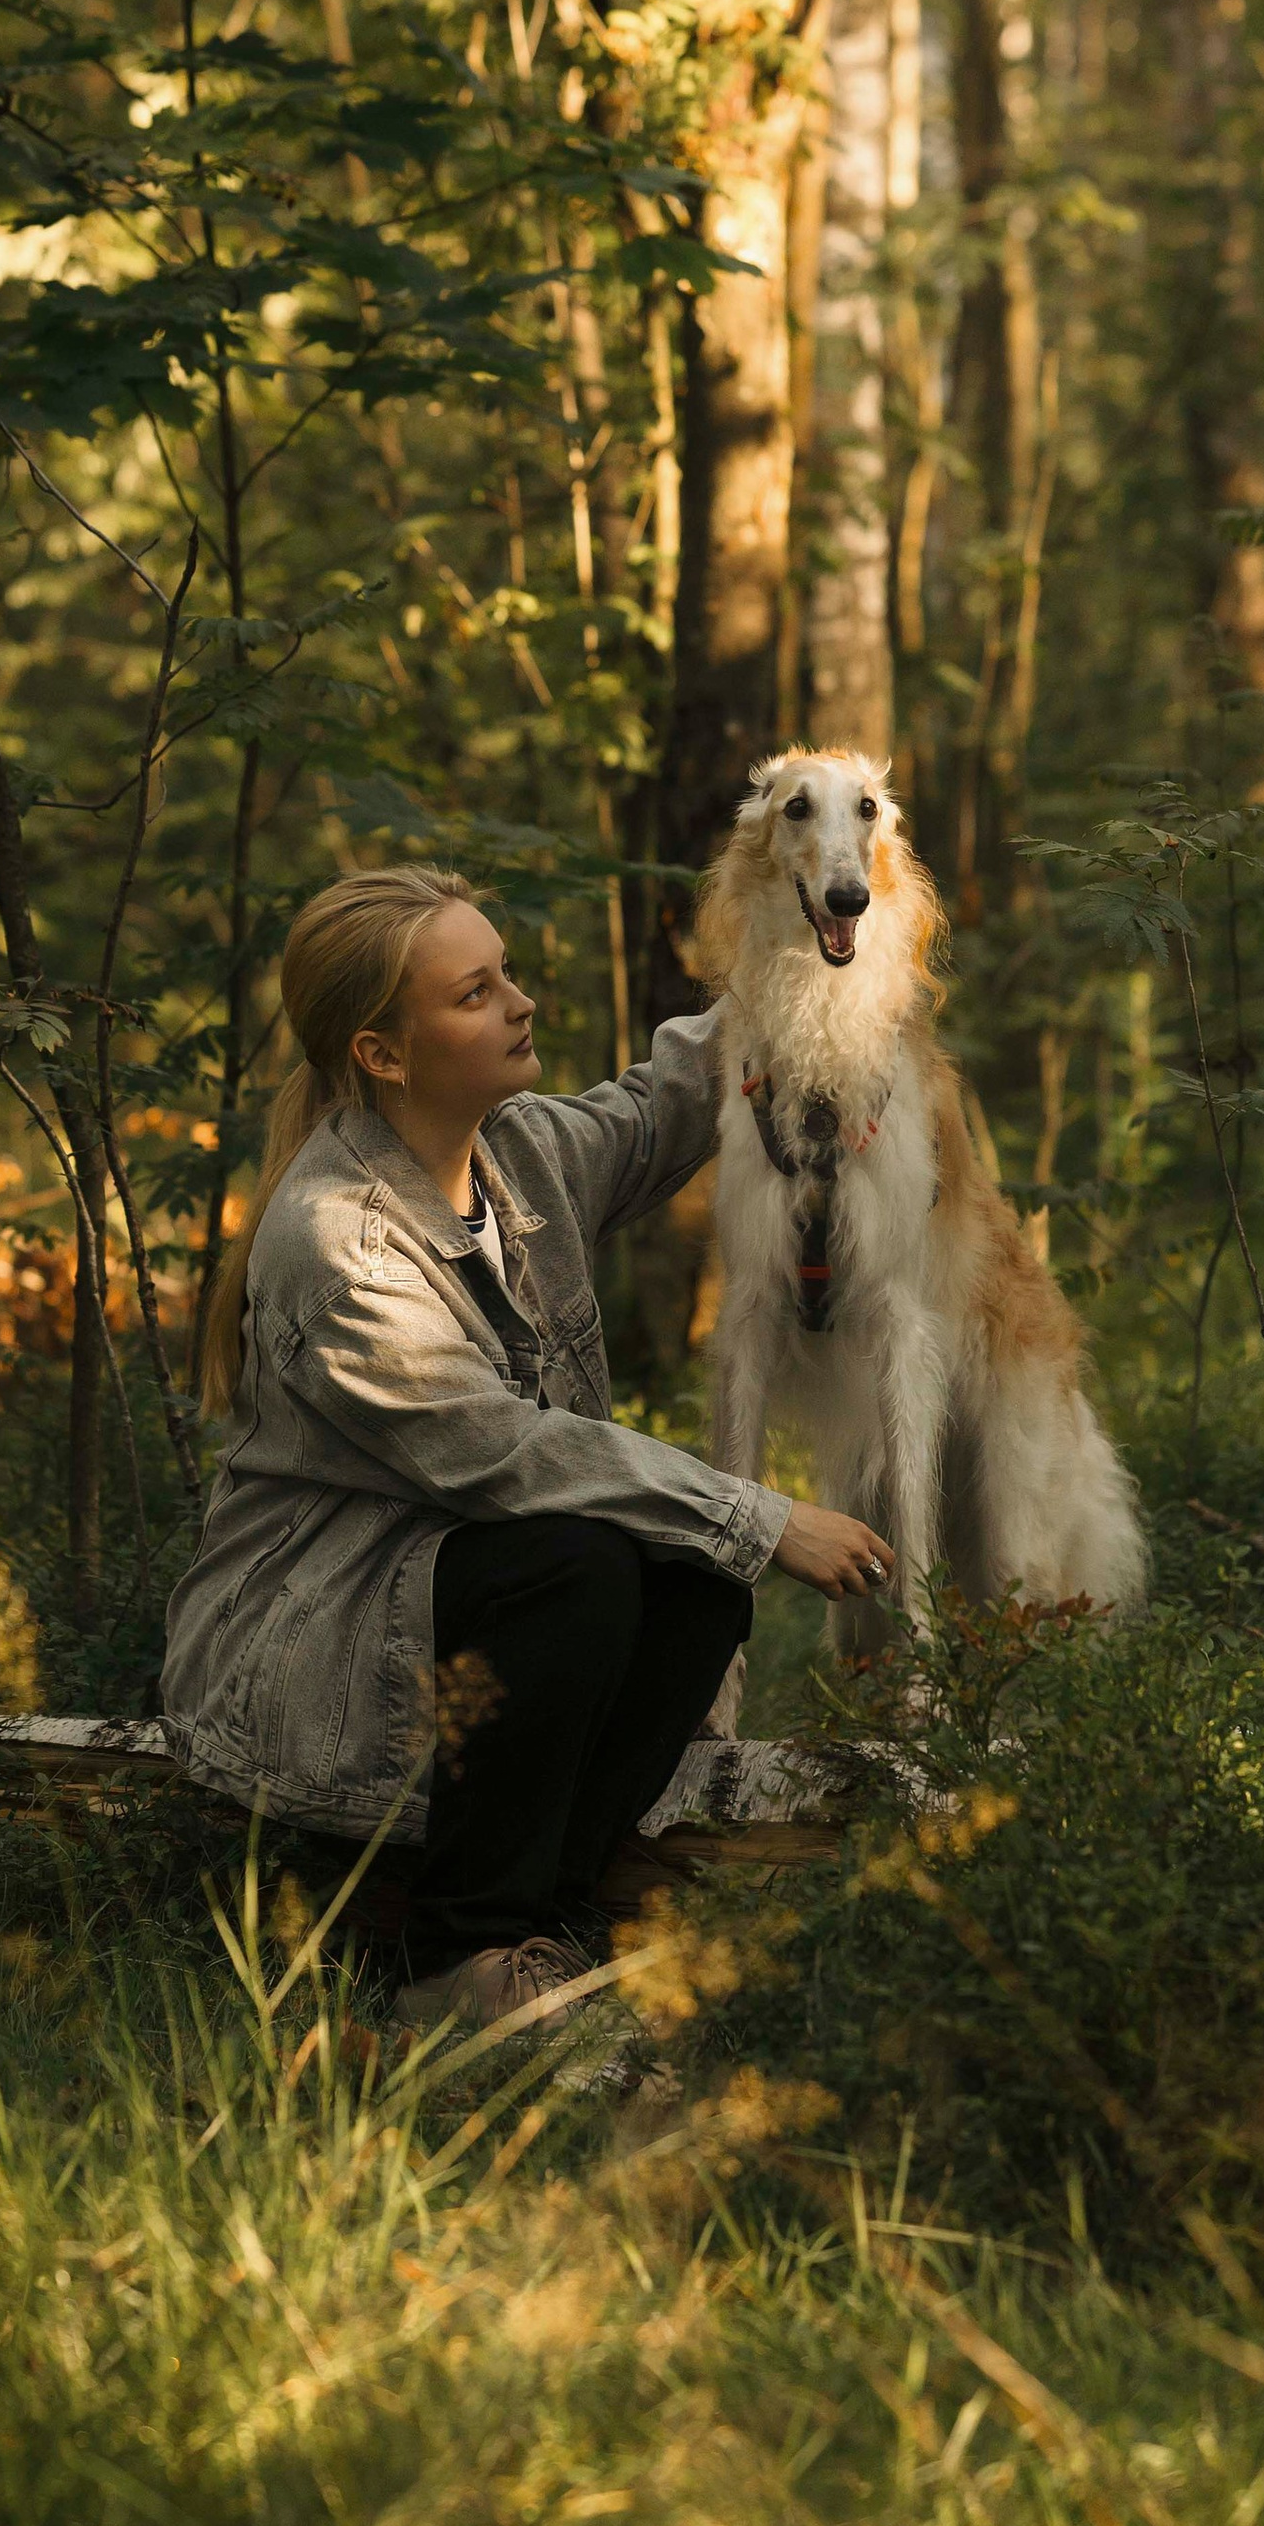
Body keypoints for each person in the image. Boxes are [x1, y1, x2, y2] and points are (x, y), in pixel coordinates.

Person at [162, 865, 894, 2029]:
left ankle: (548, 1926)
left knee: (687, 1576)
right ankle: (453, 1959)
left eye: (506, 974)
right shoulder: (339, 1244)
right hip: (324, 1646)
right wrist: (763, 1518)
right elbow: (501, 1455)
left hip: (458, 1604)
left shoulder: (518, 1152)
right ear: (383, 1055)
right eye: (474, 993)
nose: (519, 1003)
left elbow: (663, 1105)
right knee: (592, 1558)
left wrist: (809, 958)